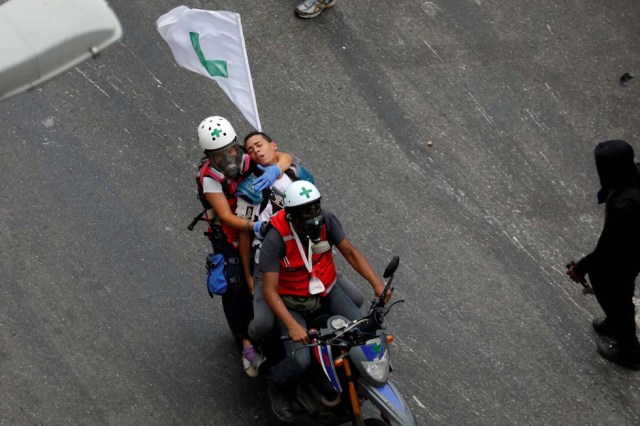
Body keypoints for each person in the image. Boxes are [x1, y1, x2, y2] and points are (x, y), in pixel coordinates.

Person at [259, 180, 388, 421]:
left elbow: (350, 252)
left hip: (327, 291)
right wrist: (292, 324)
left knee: (367, 333)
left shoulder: (328, 220)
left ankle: (359, 381)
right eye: (305, 212)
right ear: (291, 215)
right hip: (292, 302)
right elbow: (270, 290)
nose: (313, 217)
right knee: (299, 360)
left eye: (315, 208)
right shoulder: (276, 237)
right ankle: (277, 387)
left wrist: (377, 284)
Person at [234, 132, 364, 342]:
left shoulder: (296, 173)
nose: (256, 151)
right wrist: (248, 274)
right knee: (263, 324)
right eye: (250, 150)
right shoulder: (252, 188)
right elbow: (244, 235)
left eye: (259, 145)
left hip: (307, 254)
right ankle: (248, 341)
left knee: (356, 298)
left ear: (273, 145)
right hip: (271, 259)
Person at [195, 116, 293, 377]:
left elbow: (284, 157)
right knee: (236, 284)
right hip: (232, 234)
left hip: (259, 223)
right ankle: (246, 343)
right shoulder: (209, 179)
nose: (228, 159)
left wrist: (275, 169)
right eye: (219, 156)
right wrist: (255, 228)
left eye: (230, 151)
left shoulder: (248, 157)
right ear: (209, 157)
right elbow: (227, 217)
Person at [567, 139, 640, 369]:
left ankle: (630, 351)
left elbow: (608, 248)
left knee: (614, 292)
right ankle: (615, 323)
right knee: (618, 288)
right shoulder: (634, 173)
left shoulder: (623, 206)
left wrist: (582, 267)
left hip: (628, 251)